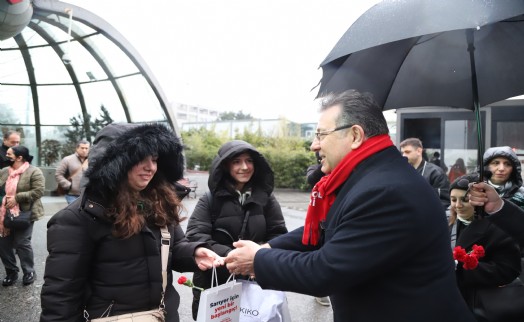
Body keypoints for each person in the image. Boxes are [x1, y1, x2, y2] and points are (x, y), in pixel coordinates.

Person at [224, 89, 476, 322]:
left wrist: (259, 260)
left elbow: (325, 271)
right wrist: (268, 247)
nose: (314, 145)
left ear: (355, 135)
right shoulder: (372, 177)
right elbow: (327, 229)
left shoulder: (385, 191)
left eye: (321, 134)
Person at [40, 123, 223, 322]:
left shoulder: (160, 203)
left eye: (154, 159)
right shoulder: (77, 219)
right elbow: (61, 296)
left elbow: (174, 246)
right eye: (140, 158)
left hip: (164, 316)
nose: (150, 167)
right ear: (114, 162)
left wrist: (194, 252)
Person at [185, 139, 288, 320]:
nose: (245, 167)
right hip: (216, 282)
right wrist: (233, 256)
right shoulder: (209, 200)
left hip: (256, 279)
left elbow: (278, 234)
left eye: (249, 161)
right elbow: (196, 235)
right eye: (237, 161)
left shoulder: (266, 199)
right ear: (225, 165)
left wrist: (257, 256)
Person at [448, 174, 521, 319]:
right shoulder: (445, 224)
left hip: (480, 306)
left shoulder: (499, 229)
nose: (457, 205)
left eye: (464, 199)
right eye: (453, 199)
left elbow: (508, 270)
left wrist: (462, 266)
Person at [0, 145, 45, 287]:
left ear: (20, 157)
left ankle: (29, 271)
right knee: (3, 244)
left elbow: (38, 191)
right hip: (4, 213)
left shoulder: (34, 171)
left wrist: (17, 198)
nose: (5, 157)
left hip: (24, 213)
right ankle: (11, 272)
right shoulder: (4, 171)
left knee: (22, 242)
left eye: (9, 155)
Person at [305, 151, 331, 307]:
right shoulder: (316, 168)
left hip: (330, 215)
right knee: (318, 252)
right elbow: (311, 179)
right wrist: (325, 164)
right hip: (317, 218)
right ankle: (320, 291)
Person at [400, 137, 451, 210]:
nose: (404, 155)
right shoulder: (402, 172)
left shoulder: (435, 173)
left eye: (407, 152)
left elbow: (444, 201)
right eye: (402, 152)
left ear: (419, 151)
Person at [55, 139, 90, 204]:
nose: (84, 150)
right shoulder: (68, 159)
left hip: (87, 195)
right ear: (77, 148)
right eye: (82, 148)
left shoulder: (92, 161)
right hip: (72, 194)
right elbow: (58, 174)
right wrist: (68, 185)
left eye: (86, 148)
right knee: (75, 213)